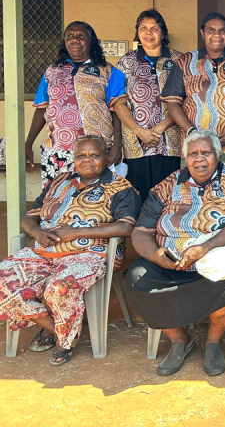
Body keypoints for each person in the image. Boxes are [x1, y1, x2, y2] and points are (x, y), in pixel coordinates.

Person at [125, 129, 225, 377]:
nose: (199, 159)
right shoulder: (167, 185)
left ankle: (212, 341)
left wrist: (206, 247)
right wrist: (155, 255)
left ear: (217, 155)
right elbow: (140, 231)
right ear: (185, 157)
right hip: (172, 261)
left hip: (216, 258)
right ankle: (180, 339)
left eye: (206, 153)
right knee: (136, 277)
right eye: (193, 154)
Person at [0, 135, 140, 366]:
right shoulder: (61, 181)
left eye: (94, 155)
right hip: (43, 252)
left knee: (61, 286)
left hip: (89, 254)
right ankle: (56, 328)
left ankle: (64, 341)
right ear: (74, 159)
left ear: (106, 157)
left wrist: (76, 232)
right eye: (81, 156)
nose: (87, 160)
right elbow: (29, 218)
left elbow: (126, 227)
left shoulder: (120, 187)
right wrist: (37, 233)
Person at [25, 21, 126, 188]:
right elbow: (42, 108)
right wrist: (28, 143)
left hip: (95, 151)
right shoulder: (52, 70)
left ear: (91, 41)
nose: (74, 40)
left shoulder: (108, 71)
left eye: (81, 36)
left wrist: (117, 146)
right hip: (57, 150)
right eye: (70, 36)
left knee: (93, 199)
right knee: (56, 200)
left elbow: (117, 111)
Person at [162, 12, 225, 174]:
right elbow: (173, 103)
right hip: (196, 148)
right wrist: (192, 133)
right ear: (202, 33)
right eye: (211, 30)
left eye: (222, 31)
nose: (217, 35)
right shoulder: (185, 62)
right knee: (195, 195)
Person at [115, 9, 183, 203]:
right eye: (143, 28)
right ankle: (139, 233)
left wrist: (160, 128)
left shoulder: (181, 61)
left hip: (171, 143)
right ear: (137, 33)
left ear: (163, 33)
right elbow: (118, 102)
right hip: (136, 143)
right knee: (138, 195)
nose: (149, 33)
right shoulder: (125, 63)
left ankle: (164, 232)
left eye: (155, 28)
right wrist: (140, 131)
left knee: (169, 194)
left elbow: (188, 99)